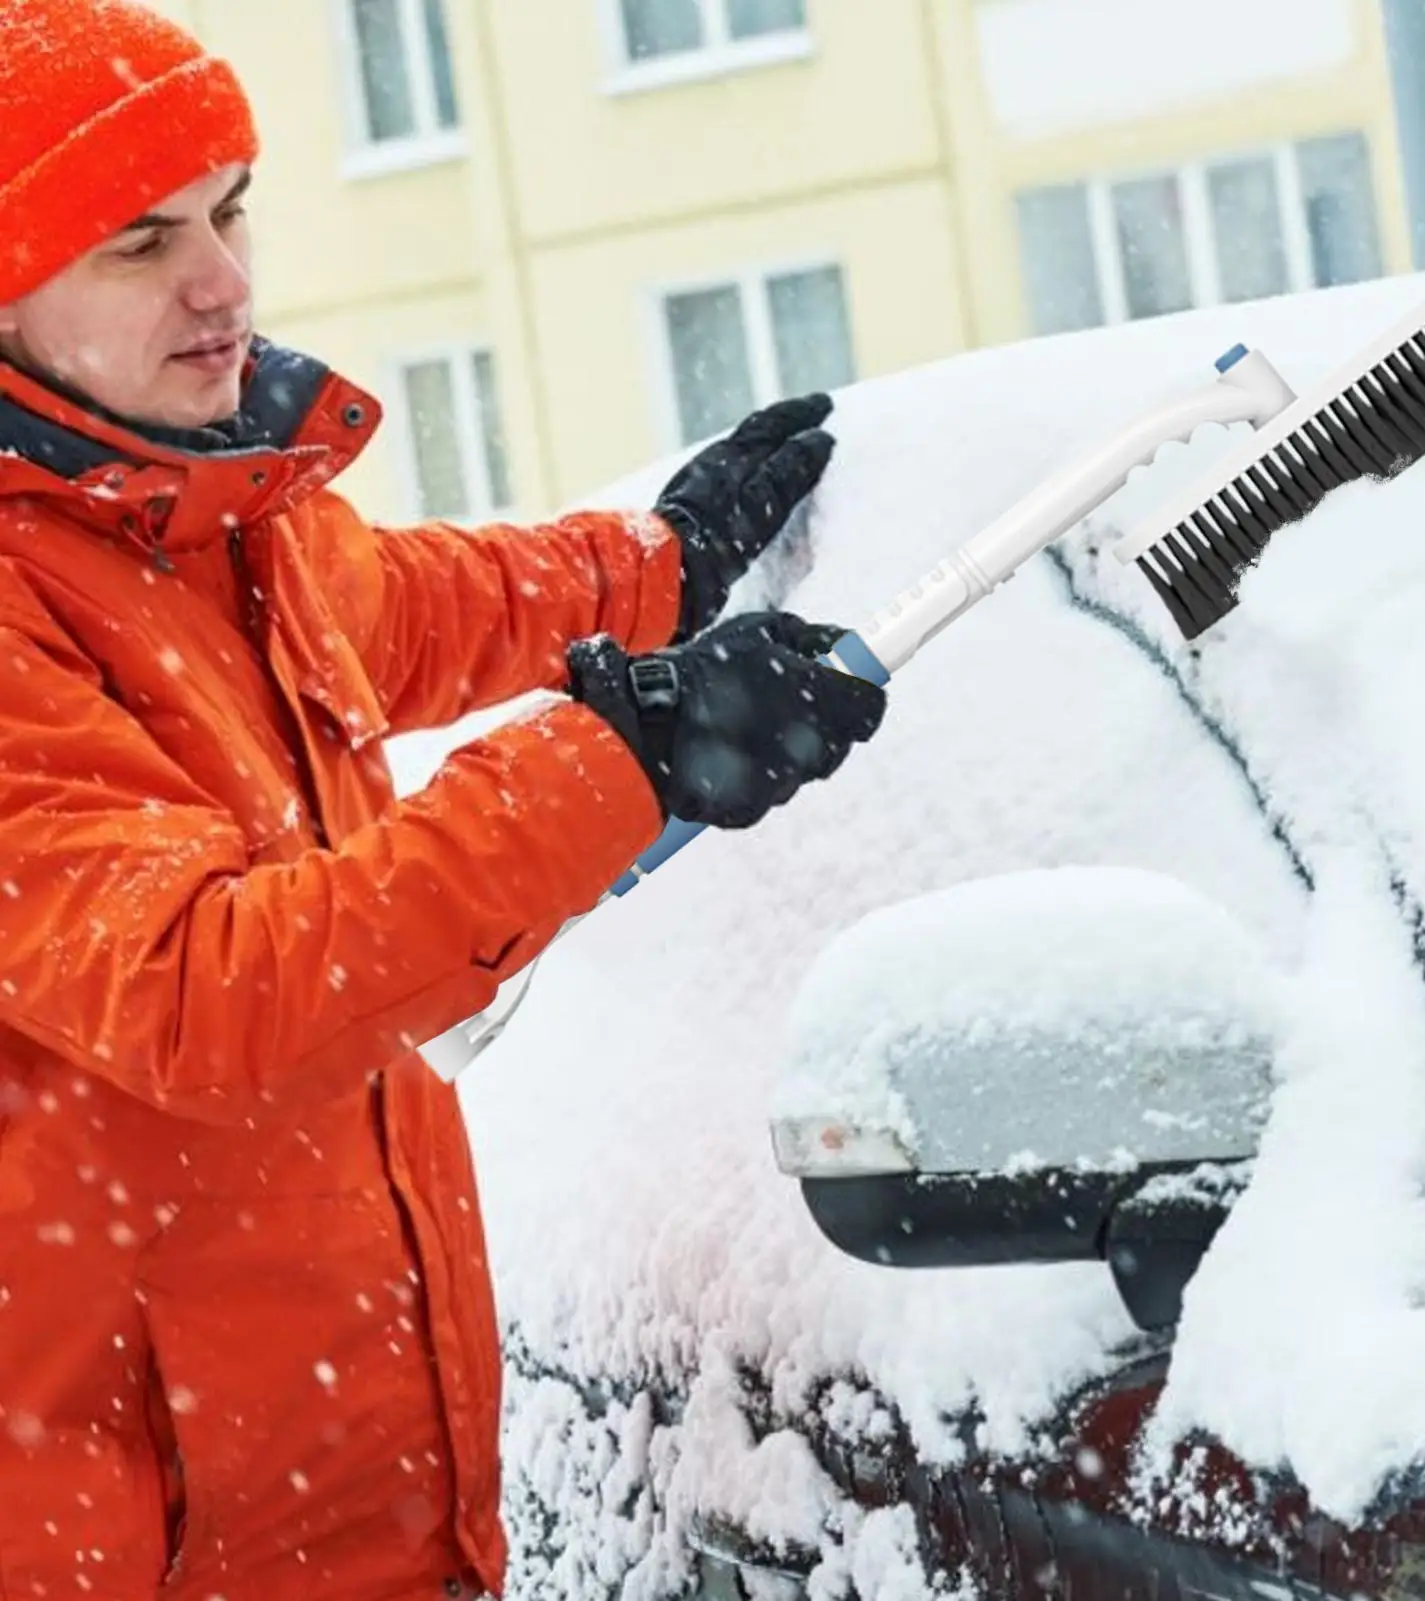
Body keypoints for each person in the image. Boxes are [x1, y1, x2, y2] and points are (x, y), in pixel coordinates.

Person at [0, 2, 886, 1597]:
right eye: (138, 245)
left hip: (367, 1516)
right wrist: (631, 757)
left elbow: (410, 609)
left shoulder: (196, 514)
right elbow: (210, 989)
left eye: (229, 210)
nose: (222, 283)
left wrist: (657, 567)